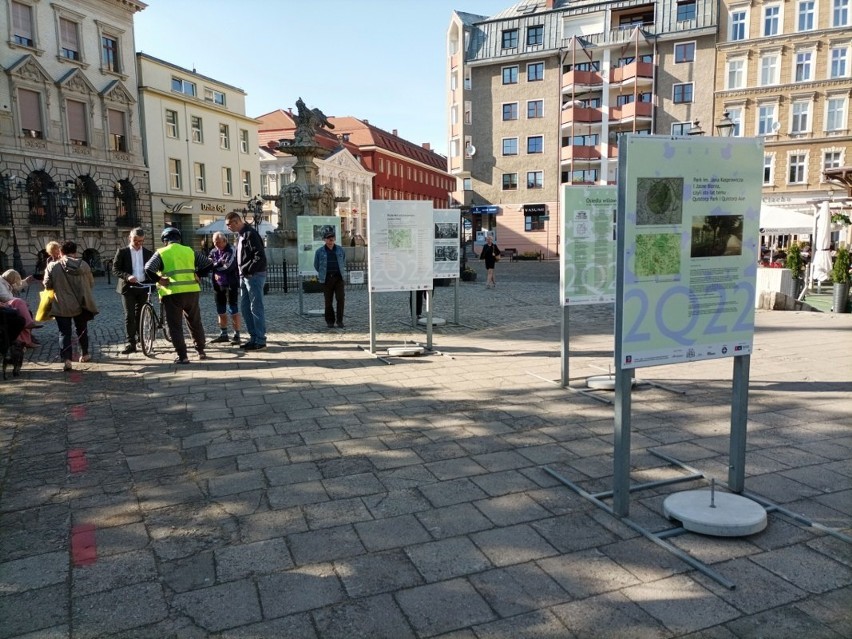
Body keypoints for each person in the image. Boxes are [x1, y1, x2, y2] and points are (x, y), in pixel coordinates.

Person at [144, 227, 213, 365]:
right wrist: (198, 274)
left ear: (165, 240)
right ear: (179, 239)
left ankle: (183, 356)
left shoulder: (161, 252)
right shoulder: (189, 251)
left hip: (173, 293)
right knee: (195, 321)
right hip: (192, 291)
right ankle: (201, 351)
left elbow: (148, 268)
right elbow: (208, 264)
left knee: (175, 325)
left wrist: (159, 280)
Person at [43, 241, 98, 371]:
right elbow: (91, 283)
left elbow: (47, 285)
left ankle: (67, 360)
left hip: (62, 304)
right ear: (76, 251)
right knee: (82, 330)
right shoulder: (84, 265)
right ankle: (85, 354)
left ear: (61, 252)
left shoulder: (53, 266)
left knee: (64, 333)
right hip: (81, 303)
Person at [225, 211, 267, 350]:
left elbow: (259, 255)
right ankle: (253, 337)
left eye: (229, 224)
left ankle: (260, 340)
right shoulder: (241, 235)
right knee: (245, 308)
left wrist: (248, 270)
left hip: (253, 276)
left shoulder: (250, 234)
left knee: (256, 308)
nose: (228, 228)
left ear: (236, 222)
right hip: (245, 276)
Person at [112, 228, 153, 354]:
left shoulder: (148, 253)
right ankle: (131, 342)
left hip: (143, 287)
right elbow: (115, 269)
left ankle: (141, 338)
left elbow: (152, 269)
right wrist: (127, 276)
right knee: (129, 316)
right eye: (136, 241)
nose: (138, 244)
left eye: (141, 241)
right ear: (130, 238)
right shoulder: (122, 252)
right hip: (128, 288)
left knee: (140, 315)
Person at [208, 231, 241, 345]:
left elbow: (228, 267)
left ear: (225, 241)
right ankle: (224, 334)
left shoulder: (231, 250)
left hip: (230, 284)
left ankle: (237, 334)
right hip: (218, 285)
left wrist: (214, 266)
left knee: (233, 309)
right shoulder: (213, 251)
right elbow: (208, 264)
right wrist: (217, 264)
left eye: (218, 242)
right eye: (214, 242)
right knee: (220, 310)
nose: (216, 245)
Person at [314, 226, 346, 328]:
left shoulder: (340, 250)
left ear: (335, 239)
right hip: (327, 279)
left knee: (340, 299)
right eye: (328, 238)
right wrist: (324, 273)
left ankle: (340, 320)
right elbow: (316, 265)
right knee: (328, 301)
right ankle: (330, 321)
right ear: (324, 240)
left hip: (338, 278)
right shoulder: (320, 251)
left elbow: (343, 261)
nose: (330, 240)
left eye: (332, 238)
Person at [0, 269, 40, 348]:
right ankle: (27, 331)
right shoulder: (0, 283)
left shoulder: (5, 281)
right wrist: (15, 299)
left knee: (26, 314)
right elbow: (4, 297)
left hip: (6, 306)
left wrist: (26, 281)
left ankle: (27, 340)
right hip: (3, 307)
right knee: (19, 304)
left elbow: (16, 287)